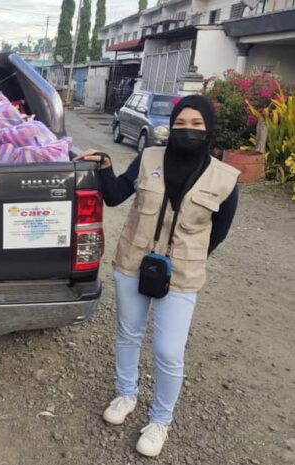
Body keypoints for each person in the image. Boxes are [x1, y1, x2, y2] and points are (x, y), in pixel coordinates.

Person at [77, 95, 240, 457]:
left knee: (168, 351)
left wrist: (186, 256)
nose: (187, 130)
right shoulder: (149, 158)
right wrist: (103, 165)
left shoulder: (225, 179)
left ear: (208, 129)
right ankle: (126, 394)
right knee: (128, 335)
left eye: (197, 125)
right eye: (181, 123)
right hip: (132, 264)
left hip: (181, 275)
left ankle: (160, 420)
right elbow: (117, 195)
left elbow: (219, 232)